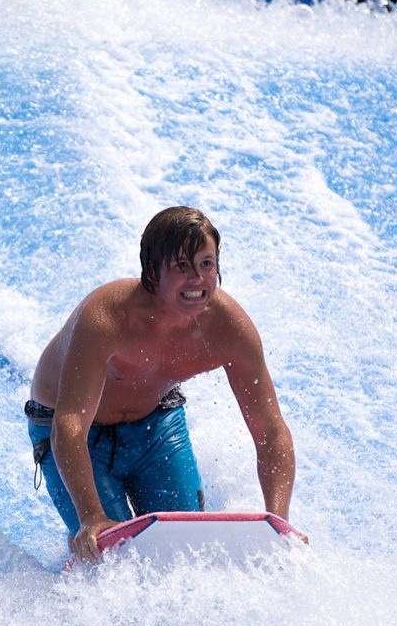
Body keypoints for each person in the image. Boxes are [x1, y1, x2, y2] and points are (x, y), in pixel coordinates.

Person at [25, 206, 296, 562]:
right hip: (70, 431)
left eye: (206, 264)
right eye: (181, 267)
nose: (197, 279)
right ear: (152, 271)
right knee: (111, 556)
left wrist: (277, 523)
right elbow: (70, 424)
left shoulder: (229, 328)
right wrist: (91, 516)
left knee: (188, 553)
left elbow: (271, 431)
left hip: (156, 426)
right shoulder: (107, 317)